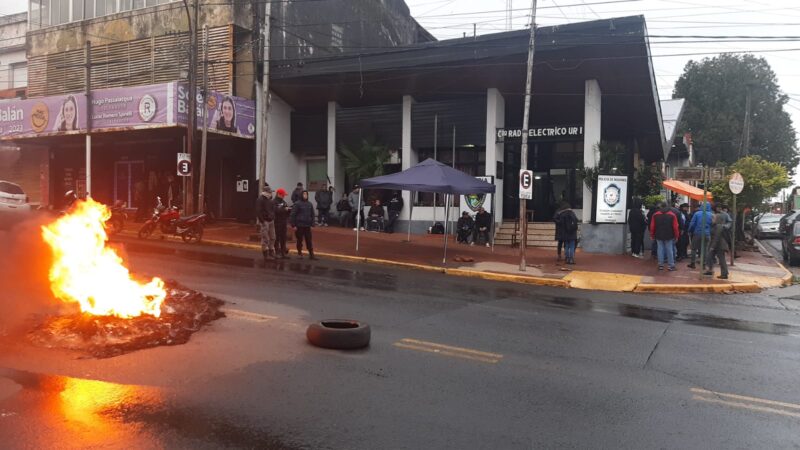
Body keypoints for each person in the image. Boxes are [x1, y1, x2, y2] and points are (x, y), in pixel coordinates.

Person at [650, 202, 679, 271]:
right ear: (667, 207)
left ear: (660, 207)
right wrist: (676, 236)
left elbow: (652, 226)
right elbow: (675, 227)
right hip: (669, 235)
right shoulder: (672, 215)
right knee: (669, 250)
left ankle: (660, 265)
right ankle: (671, 265)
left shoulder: (655, 215)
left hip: (658, 234)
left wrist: (652, 235)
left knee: (660, 249)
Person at [290, 190, 316, 260]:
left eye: (306, 194)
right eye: (304, 194)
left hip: (307, 225)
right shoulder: (297, 204)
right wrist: (293, 225)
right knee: (299, 240)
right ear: (301, 195)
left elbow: (312, 214)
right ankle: (299, 253)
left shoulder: (309, 204)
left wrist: (312, 224)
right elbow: (293, 215)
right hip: (299, 225)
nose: (305, 195)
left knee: (309, 240)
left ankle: (311, 253)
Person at [687, 202, 713, 269]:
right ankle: (704, 264)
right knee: (705, 250)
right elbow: (713, 225)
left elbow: (692, 223)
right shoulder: (711, 214)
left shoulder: (697, 213)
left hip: (697, 233)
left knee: (693, 249)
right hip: (707, 234)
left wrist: (689, 230)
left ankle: (693, 263)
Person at [704, 213, 730, 279]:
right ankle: (709, 270)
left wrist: (712, 247)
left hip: (720, 245)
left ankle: (724, 274)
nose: (712, 219)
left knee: (721, 259)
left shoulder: (719, 226)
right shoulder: (715, 226)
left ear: (717, 219)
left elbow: (716, 237)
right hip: (716, 245)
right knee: (709, 256)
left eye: (714, 218)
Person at [255, 187, 276, 261]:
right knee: (265, 238)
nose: (271, 193)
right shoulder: (260, 200)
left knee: (273, 237)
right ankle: (266, 254)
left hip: (271, 221)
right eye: (270, 192)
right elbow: (258, 211)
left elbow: (272, 209)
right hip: (265, 221)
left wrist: (273, 216)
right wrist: (262, 221)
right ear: (265, 192)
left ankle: (271, 251)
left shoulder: (270, 200)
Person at [274, 188, 290, 259]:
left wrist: (289, 210)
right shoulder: (274, 202)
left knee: (283, 238)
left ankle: (283, 253)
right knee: (277, 238)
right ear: (278, 194)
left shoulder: (284, 202)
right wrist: (284, 209)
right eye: (283, 195)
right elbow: (276, 210)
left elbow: (286, 210)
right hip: (277, 222)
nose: (284, 196)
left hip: (284, 222)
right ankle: (276, 252)